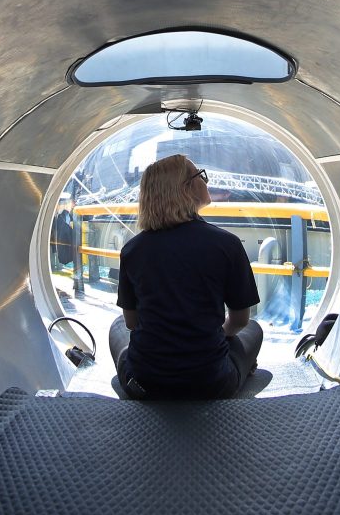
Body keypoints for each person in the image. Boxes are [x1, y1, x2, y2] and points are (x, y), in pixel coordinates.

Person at [108, 154, 263, 399]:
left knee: (117, 327)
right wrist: (204, 337)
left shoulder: (132, 249)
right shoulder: (227, 244)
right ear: (187, 188)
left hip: (144, 383)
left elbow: (131, 323)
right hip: (211, 385)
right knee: (253, 330)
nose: (206, 181)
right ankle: (240, 370)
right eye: (200, 175)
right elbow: (240, 320)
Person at [50, 195, 76, 270]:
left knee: (54, 253)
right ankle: (56, 266)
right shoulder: (63, 215)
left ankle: (56, 266)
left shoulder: (64, 215)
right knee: (55, 253)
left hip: (56, 239)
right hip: (56, 239)